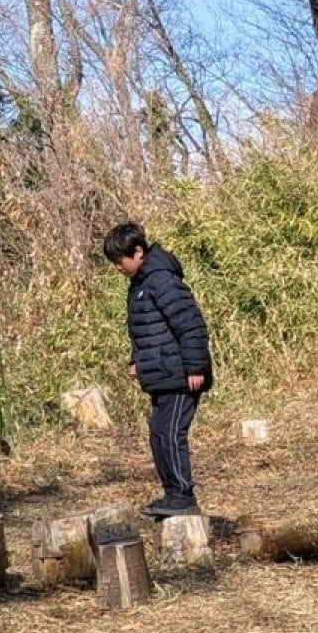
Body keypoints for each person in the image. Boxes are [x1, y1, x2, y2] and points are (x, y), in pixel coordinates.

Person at [103, 221, 214, 519]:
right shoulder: (140, 284)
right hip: (162, 375)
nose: (118, 267)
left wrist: (195, 367)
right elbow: (148, 330)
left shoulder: (161, 279)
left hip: (180, 377)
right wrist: (136, 359)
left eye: (120, 260)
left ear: (138, 252)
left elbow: (191, 324)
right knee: (158, 434)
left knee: (170, 433)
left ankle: (183, 496)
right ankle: (172, 494)